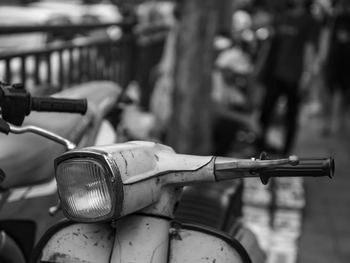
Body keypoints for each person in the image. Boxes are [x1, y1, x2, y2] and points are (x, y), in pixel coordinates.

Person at [257, 0, 320, 155]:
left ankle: (286, 152)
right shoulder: (282, 16)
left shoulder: (310, 21)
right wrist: (260, 68)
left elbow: (310, 49)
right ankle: (260, 146)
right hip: (275, 74)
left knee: (291, 116)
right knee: (265, 111)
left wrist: (307, 76)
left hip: (294, 76)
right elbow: (270, 45)